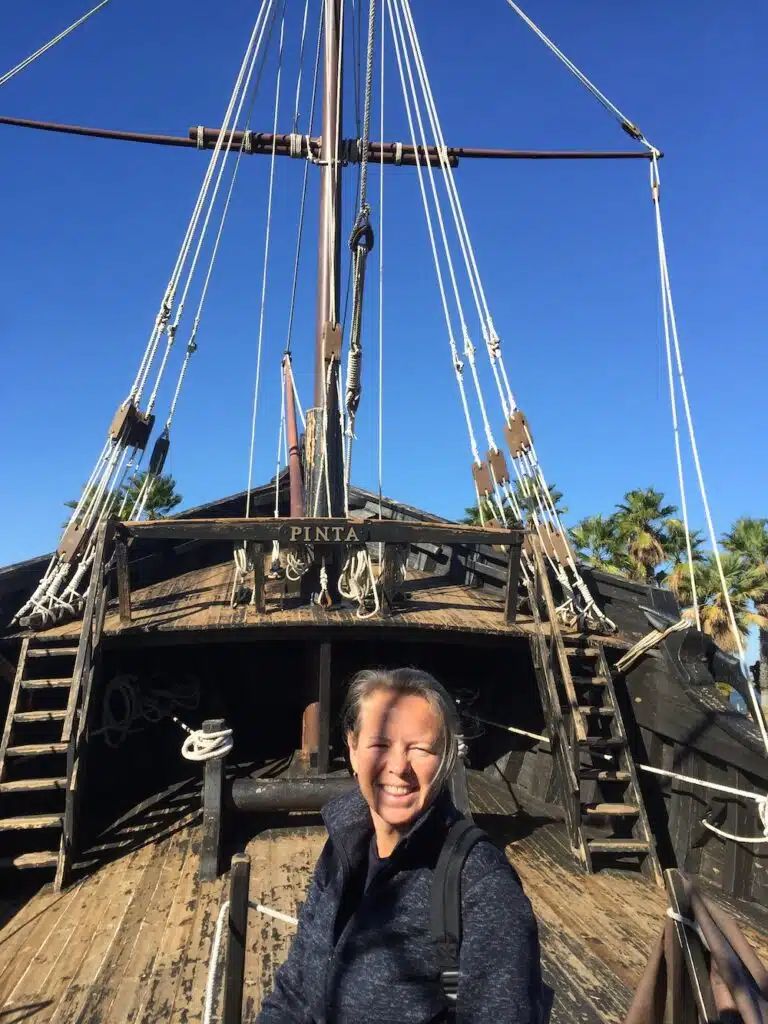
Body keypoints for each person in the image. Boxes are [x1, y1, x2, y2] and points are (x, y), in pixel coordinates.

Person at [258, 667, 544, 1023]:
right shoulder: (341, 846)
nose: (398, 767)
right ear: (352, 749)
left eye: (420, 749)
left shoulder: (483, 888)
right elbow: (295, 988)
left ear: (447, 757)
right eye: (379, 744)